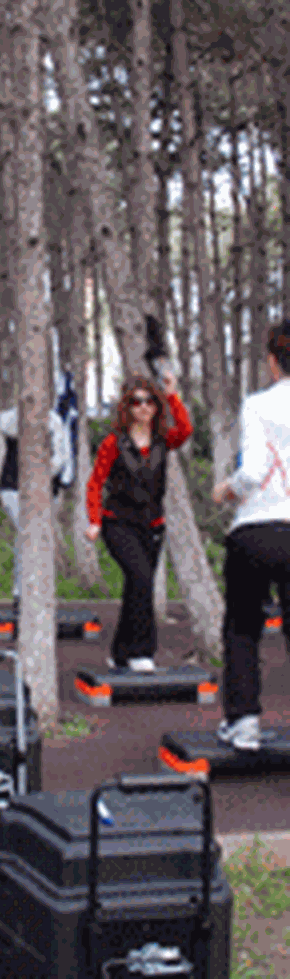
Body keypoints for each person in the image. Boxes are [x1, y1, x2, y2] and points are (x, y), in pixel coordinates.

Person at [212, 322, 290, 751]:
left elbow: (255, 468)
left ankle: (243, 723)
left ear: (273, 362)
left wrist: (228, 489)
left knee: (242, 626)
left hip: (257, 529)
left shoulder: (259, 404)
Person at [84, 370, 192, 672]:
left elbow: (185, 430)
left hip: (152, 525)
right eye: (136, 402)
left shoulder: (162, 440)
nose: (143, 407)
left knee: (137, 587)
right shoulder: (113, 443)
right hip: (118, 523)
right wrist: (94, 520)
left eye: (149, 402)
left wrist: (172, 395)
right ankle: (141, 652)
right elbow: (95, 483)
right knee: (141, 578)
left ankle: (120, 653)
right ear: (126, 407)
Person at [0, 402, 73, 599]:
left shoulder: (53, 420)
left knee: (36, 537)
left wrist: (42, 475)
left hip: (45, 489)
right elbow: (7, 429)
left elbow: (61, 455)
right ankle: (21, 592)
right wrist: (26, 413)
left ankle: (36, 589)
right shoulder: (9, 417)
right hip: (13, 487)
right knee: (26, 532)